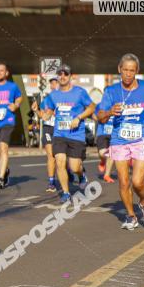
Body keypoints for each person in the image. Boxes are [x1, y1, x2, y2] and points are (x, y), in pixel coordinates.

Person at [97, 54, 144, 230]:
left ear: (137, 71)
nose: (128, 74)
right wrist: (110, 112)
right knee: (124, 182)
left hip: (143, 138)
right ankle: (131, 215)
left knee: (137, 181)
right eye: (125, 70)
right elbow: (100, 117)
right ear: (119, 69)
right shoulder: (111, 91)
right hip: (119, 139)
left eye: (132, 70)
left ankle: (143, 203)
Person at [41, 64, 95, 203]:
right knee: (59, 162)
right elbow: (47, 115)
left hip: (76, 135)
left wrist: (78, 118)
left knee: (74, 167)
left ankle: (81, 174)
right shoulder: (53, 95)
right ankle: (66, 193)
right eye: (60, 74)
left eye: (65, 74)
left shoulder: (80, 92)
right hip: (59, 134)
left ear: (70, 76)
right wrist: (38, 111)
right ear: (58, 77)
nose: (63, 76)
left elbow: (91, 107)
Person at [33, 77, 60, 192]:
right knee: (51, 155)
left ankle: (68, 170)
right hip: (48, 128)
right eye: (52, 84)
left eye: (55, 83)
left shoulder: (66, 97)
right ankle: (51, 182)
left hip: (60, 129)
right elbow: (42, 115)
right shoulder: (47, 99)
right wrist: (36, 110)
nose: (53, 86)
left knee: (61, 157)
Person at [96, 116, 115, 183]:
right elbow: (95, 115)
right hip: (102, 133)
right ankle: (103, 161)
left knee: (111, 153)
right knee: (102, 153)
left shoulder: (121, 105)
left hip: (114, 134)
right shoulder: (101, 105)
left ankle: (107, 175)